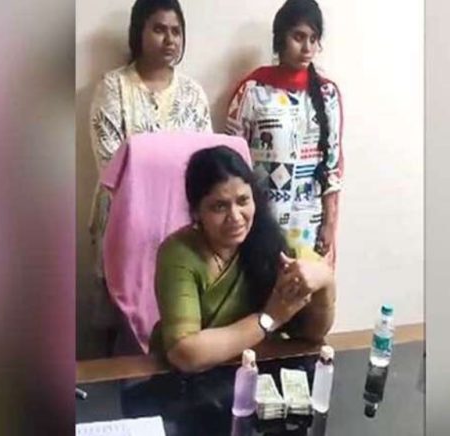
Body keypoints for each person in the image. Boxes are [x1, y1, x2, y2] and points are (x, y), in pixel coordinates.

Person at [152, 146, 336, 373]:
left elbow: (314, 334)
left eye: (243, 201)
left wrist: (325, 282)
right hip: (183, 381)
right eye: (219, 206)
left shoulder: (269, 240)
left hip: (256, 369)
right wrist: (268, 319)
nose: (236, 217)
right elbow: (185, 353)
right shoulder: (179, 253)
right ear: (196, 212)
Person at [89, 0, 213, 279]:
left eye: (176, 31)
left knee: (175, 298)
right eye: (159, 29)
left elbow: (206, 161)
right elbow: (111, 165)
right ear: (138, 33)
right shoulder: (113, 88)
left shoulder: (193, 94)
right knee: (122, 299)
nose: (170, 40)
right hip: (126, 223)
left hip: (181, 224)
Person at [226, 0, 343, 264]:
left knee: (305, 287)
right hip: (260, 223)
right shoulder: (253, 90)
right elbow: (232, 163)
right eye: (298, 37)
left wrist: (329, 224)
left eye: (313, 39)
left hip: (309, 226)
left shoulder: (327, 94)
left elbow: (333, 168)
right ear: (280, 38)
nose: (307, 48)